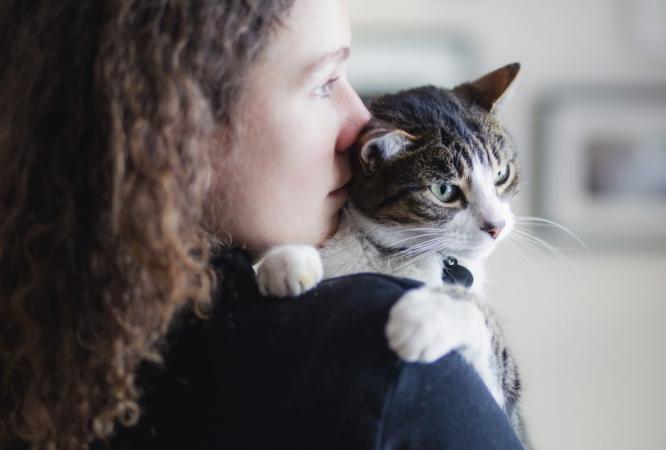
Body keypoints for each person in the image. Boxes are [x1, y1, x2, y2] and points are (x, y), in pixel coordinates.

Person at [0, 1, 525, 449]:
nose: (359, 120)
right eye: (325, 83)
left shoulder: (50, 349)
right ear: (180, 127)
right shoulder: (396, 363)